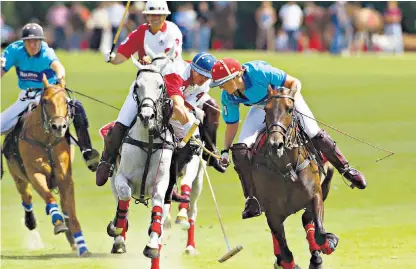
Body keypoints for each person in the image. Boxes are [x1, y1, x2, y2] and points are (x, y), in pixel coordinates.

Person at [209, 58, 367, 220]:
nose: (221, 87)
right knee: (241, 150)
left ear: (236, 76)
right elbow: (232, 124)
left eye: (223, 82)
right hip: (261, 107)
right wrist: (225, 150)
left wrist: (288, 103)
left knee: (313, 131)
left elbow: (294, 82)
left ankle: (346, 169)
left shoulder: (259, 73)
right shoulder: (228, 97)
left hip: (285, 98)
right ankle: (252, 199)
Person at [96, 0, 223, 186]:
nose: (155, 18)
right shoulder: (139, 33)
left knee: (201, 117)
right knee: (122, 123)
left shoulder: (173, 31)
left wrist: (153, 59)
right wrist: (112, 58)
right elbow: (122, 55)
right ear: (146, 16)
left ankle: (205, 156)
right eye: (151, 14)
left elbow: (172, 58)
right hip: (145, 85)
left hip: (170, 84)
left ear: (165, 15)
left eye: (159, 14)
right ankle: (106, 162)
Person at [1, 23, 99, 171]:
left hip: (50, 93)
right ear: (23, 42)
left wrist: (60, 78)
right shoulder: (14, 50)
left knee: (77, 107)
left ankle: (87, 151)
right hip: (27, 96)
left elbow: (57, 66)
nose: (34, 44)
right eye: (29, 41)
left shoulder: (46, 52)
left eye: (37, 41)